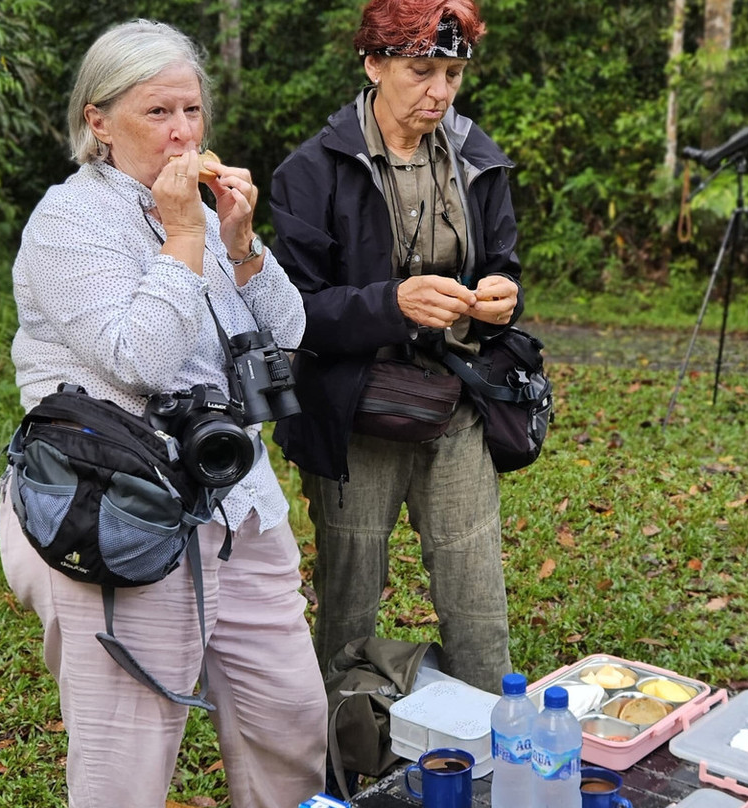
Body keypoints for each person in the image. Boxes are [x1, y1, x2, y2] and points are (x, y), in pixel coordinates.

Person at [0, 20, 326, 808]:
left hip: (236, 503)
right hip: (118, 510)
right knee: (126, 767)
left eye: (192, 110)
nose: (181, 131)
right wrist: (182, 235)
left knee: (291, 719)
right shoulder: (69, 223)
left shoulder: (205, 217)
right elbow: (136, 360)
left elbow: (289, 336)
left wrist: (242, 244)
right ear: (98, 121)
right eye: (157, 112)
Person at [269, 0, 522, 695]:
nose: (439, 92)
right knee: (349, 599)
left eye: (452, 73)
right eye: (421, 71)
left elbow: (505, 263)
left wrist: (503, 295)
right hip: (356, 412)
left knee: (477, 598)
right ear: (374, 62)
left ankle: (492, 762)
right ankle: (342, 757)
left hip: (456, 400)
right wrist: (392, 304)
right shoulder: (311, 172)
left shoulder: (478, 157)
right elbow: (289, 311)